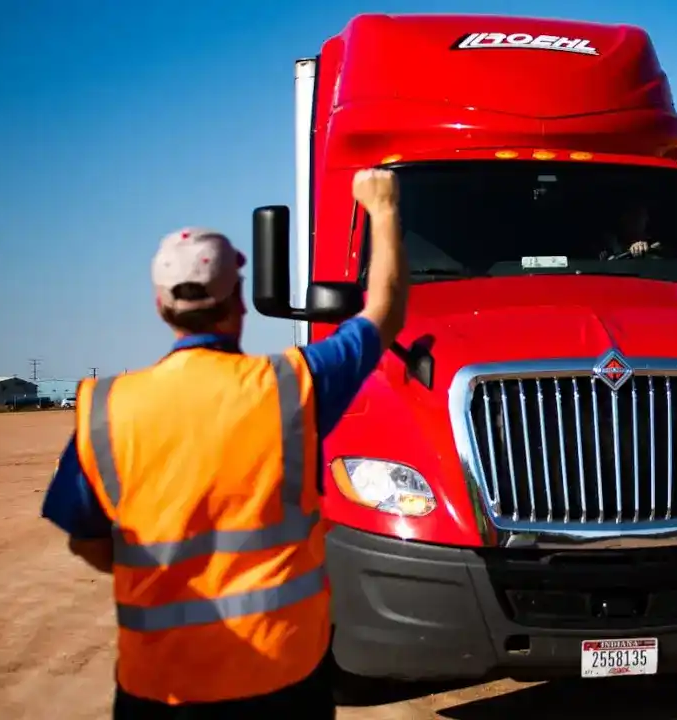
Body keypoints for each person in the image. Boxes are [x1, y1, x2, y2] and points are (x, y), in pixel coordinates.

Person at [39, 168, 409, 719]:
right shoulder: (294, 387)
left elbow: (85, 541)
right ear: (239, 300)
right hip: (282, 681)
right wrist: (382, 207)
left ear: (161, 306)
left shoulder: (107, 409)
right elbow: (383, 314)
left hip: (158, 690)